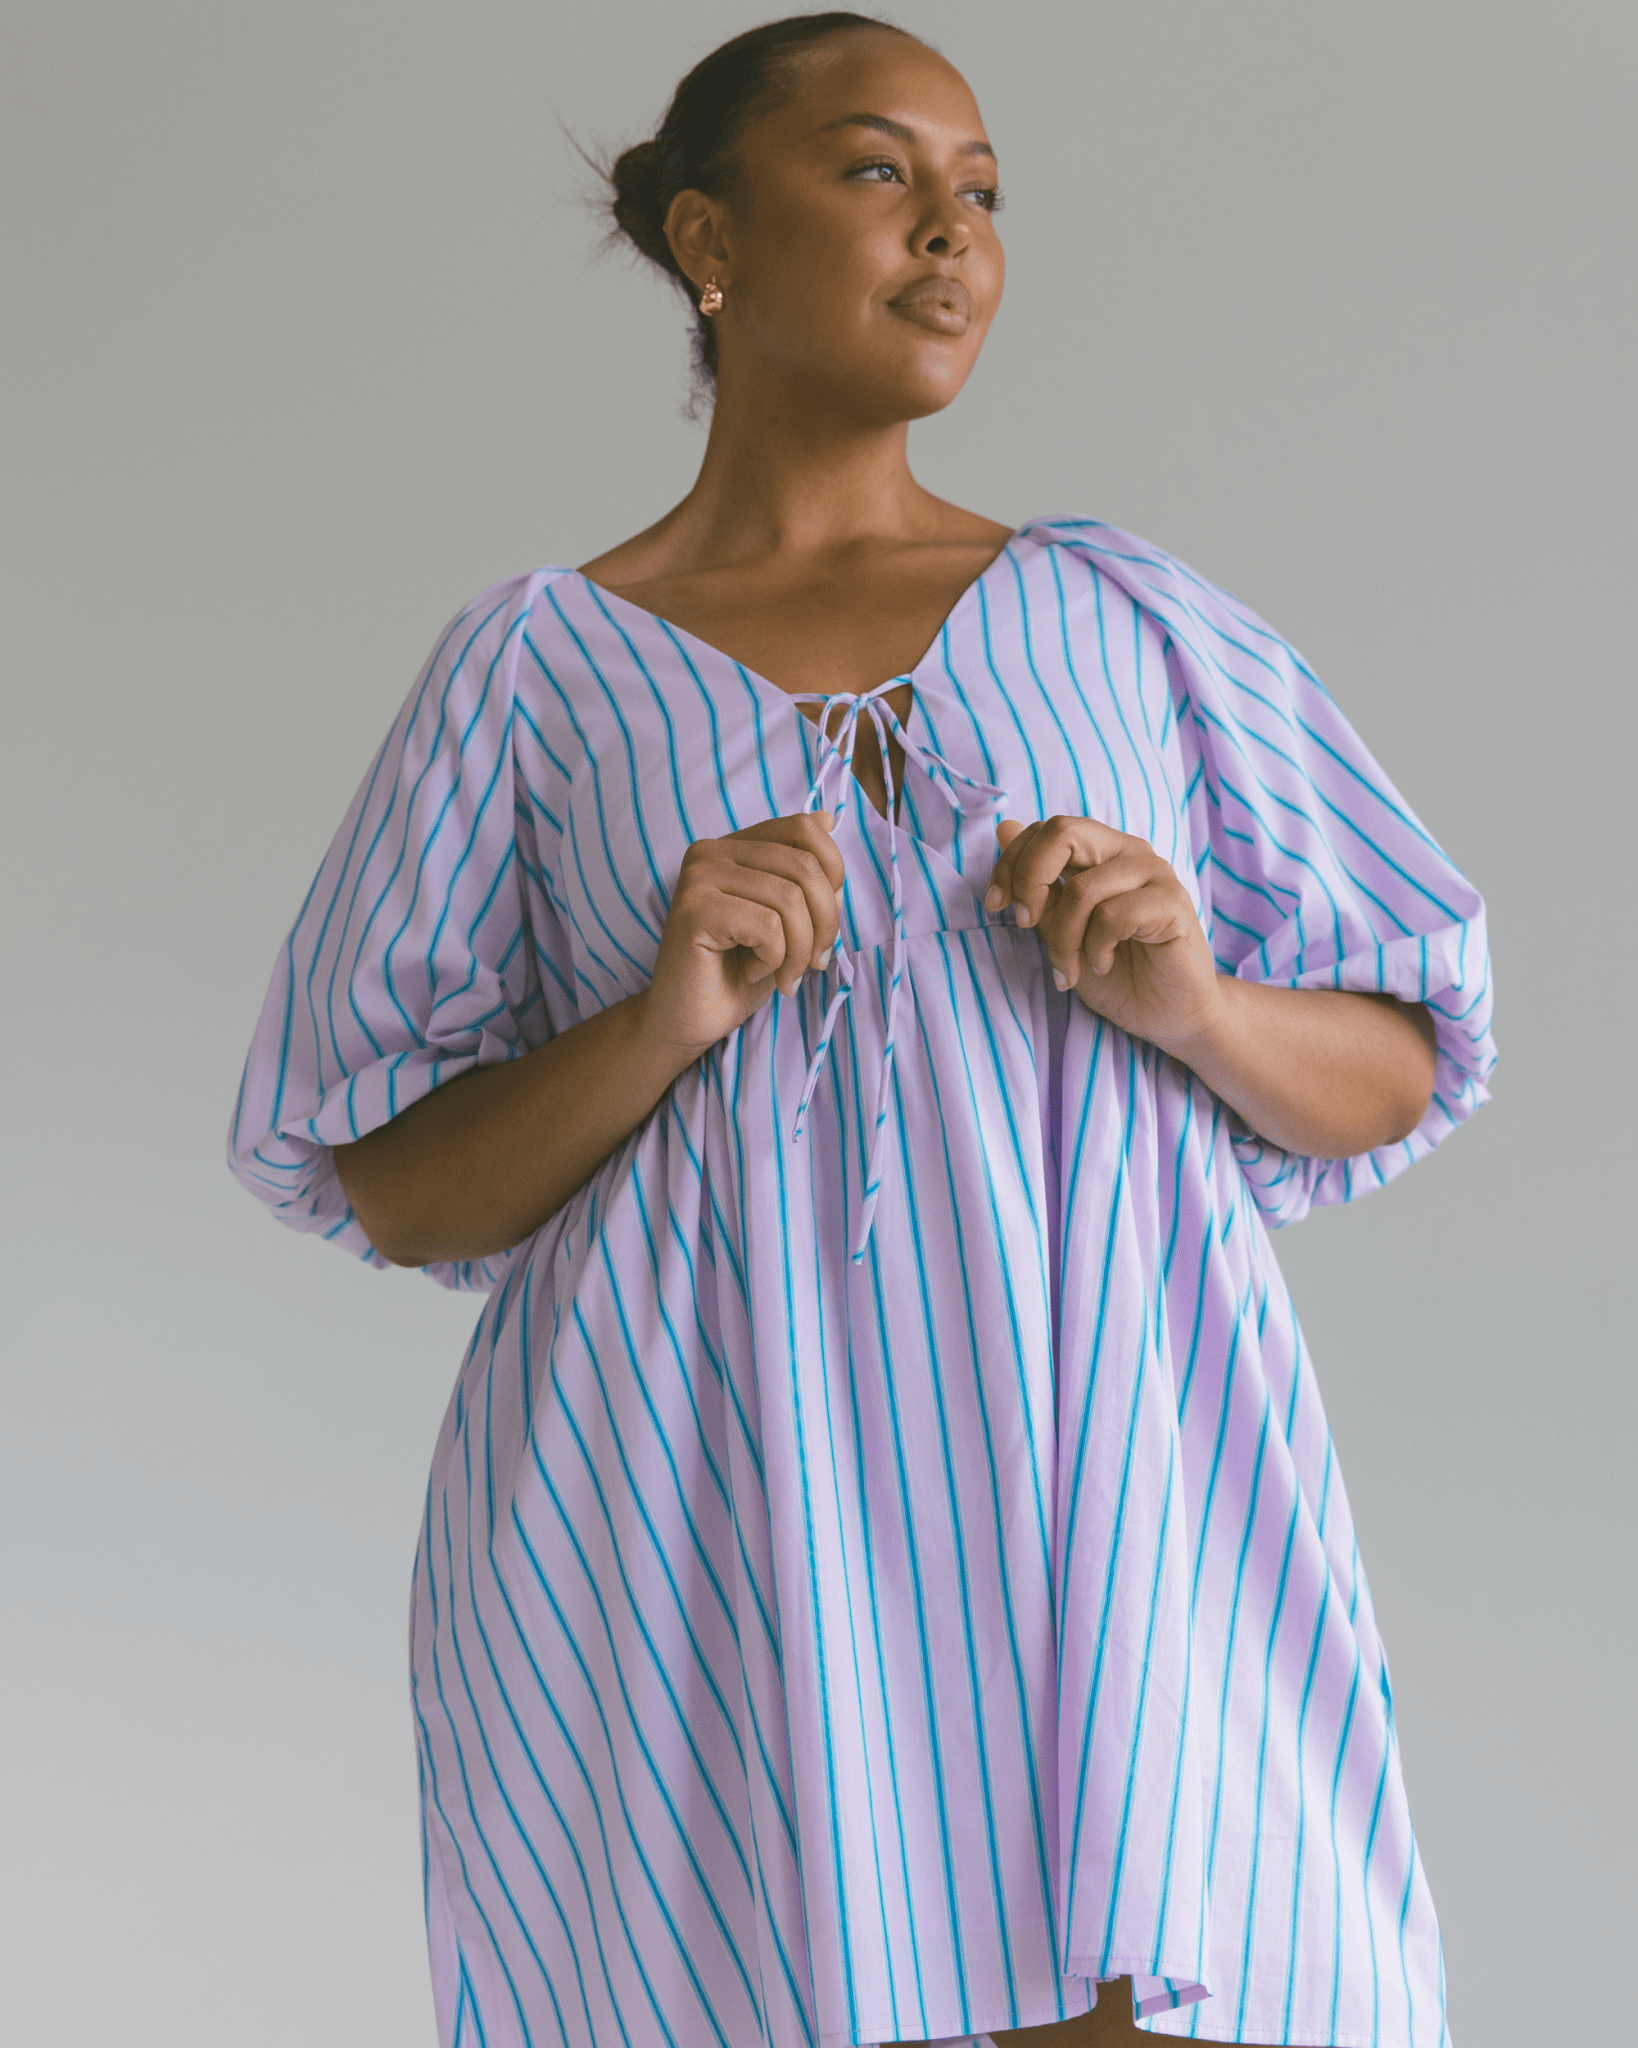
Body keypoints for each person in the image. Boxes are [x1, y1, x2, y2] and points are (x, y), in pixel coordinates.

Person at [228, 13, 1495, 2047]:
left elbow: (1406, 1057)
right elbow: (383, 1181)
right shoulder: (536, 671)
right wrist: (660, 1019)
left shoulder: (1127, 617)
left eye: (982, 191)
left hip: (1123, 1479)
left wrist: (1193, 1003)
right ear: (709, 240)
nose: (952, 234)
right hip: (691, 1514)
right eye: (882, 171)